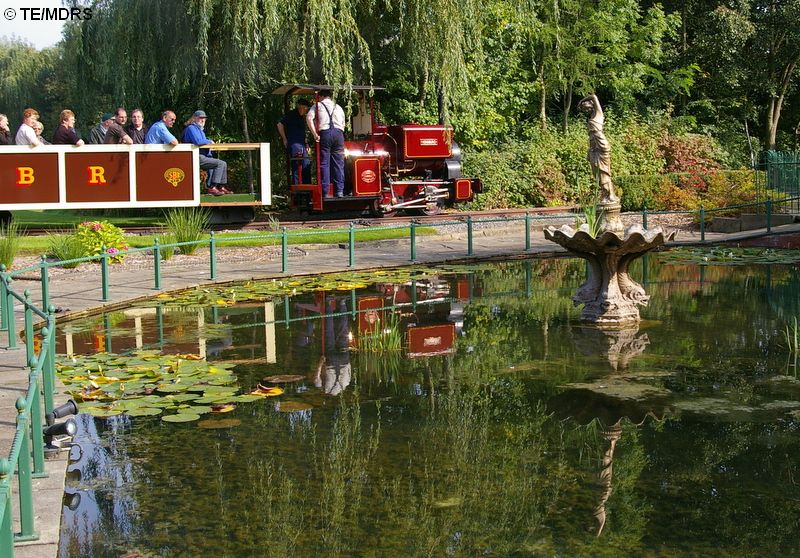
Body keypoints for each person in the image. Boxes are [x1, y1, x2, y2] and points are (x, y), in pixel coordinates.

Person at [306, 89, 346, 197]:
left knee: (324, 163)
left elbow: (309, 118)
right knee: (339, 163)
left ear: (321, 96)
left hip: (325, 134)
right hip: (338, 134)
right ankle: (339, 191)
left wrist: (314, 134)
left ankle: (325, 191)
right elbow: (343, 123)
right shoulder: (338, 107)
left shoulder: (317, 105)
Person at [181, 110, 231, 196]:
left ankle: (220, 187)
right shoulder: (191, 128)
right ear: (194, 118)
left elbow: (203, 142)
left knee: (223, 163)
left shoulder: (200, 130)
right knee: (220, 164)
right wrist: (209, 141)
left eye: (204, 118)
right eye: (200, 118)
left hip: (204, 155)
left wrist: (210, 145)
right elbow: (198, 141)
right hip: (196, 156)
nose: (203, 120)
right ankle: (212, 187)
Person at [578, 94, 616, 203]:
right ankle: (605, 194)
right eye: (584, 110)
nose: (586, 111)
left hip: (602, 146)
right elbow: (591, 138)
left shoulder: (599, 115)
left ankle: (611, 195)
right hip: (594, 148)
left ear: (592, 106)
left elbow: (594, 96)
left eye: (587, 108)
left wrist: (581, 101)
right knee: (598, 174)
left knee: (604, 172)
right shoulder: (591, 118)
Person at [313, 297, 351, 395]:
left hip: (344, 359)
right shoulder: (325, 390)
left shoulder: (344, 386)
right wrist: (321, 363)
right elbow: (316, 378)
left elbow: (349, 370)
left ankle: (342, 303)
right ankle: (328, 303)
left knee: (343, 330)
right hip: (331, 360)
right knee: (329, 332)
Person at [277, 99, 311, 184]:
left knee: (306, 164)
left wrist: (306, 144)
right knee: (297, 166)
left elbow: (302, 132)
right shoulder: (291, 115)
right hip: (294, 143)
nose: (306, 111)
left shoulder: (302, 118)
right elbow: (279, 124)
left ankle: (307, 188)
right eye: (305, 108)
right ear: (300, 107)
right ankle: (297, 189)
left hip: (302, 144)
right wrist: (284, 139)